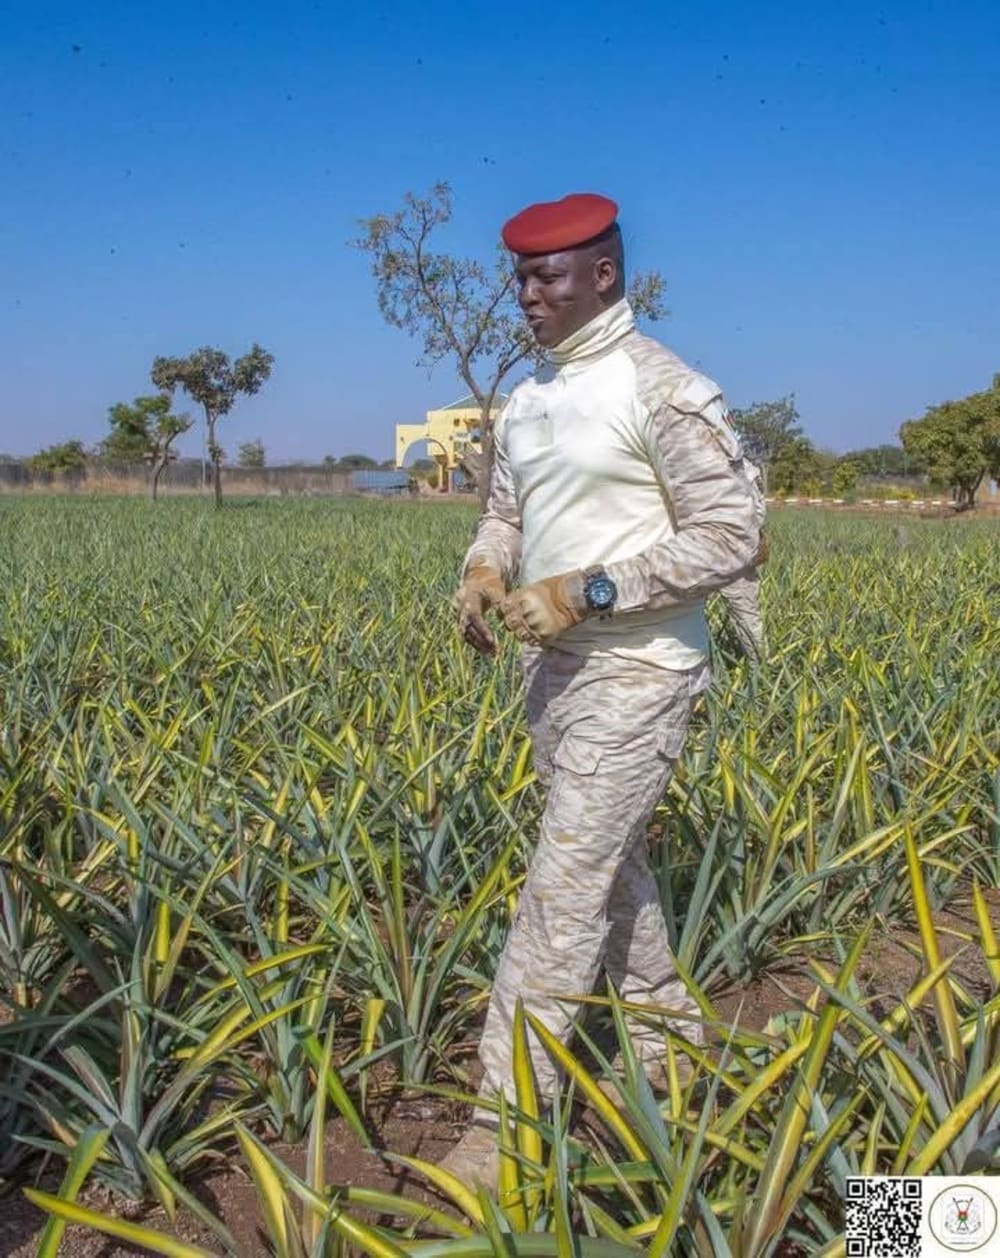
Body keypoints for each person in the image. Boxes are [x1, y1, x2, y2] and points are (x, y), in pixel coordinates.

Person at [444, 192, 760, 1188]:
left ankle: (503, 1125)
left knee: (563, 888)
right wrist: (484, 571)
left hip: (640, 668)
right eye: (520, 278)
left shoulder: (663, 388)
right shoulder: (530, 397)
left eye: (546, 277)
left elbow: (732, 536)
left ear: (604, 276)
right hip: (552, 672)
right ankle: (668, 1046)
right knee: (609, 871)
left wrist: (587, 592)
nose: (525, 295)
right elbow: (507, 510)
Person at [716, 455, 769, 661]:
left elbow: (757, 514)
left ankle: (761, 668)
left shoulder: (740, 467)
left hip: (732, 551)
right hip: (696, 548)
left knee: (745, 614)